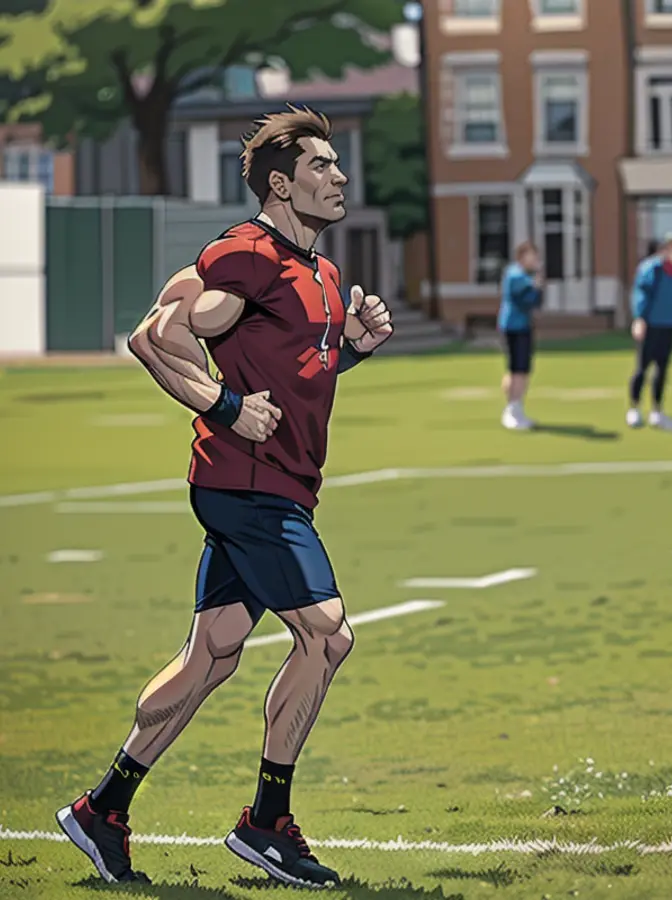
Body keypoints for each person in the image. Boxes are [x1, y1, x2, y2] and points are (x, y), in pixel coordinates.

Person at [56, 107, 393, 889]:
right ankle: (268, 823)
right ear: (281, 183)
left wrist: (353, 349)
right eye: (321, 166)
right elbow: (155, 334)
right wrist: (222, 405)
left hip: (283, 487)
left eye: (337, 165)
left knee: (211, 658)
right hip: (248, 488)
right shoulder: (245, 254)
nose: (339, 176)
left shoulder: (324, 272)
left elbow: (302, 369)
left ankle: (103, 808)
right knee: (327, 637)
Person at [626, 232, 672, 431]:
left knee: (662, 368)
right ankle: (634, 408)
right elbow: (641, 293)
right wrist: (640, 318)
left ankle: (657, 411)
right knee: (642, 367)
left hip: (668, 324)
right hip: (651, 324)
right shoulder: (651, 269)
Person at [499, 241, 544, 431]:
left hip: (524, 326)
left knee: (522, 369)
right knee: (517, 369)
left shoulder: (526, 276)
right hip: (513, 326)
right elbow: (523, 296)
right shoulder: (515, 274)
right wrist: (536, 284)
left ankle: (516, 408)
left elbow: (536, 302)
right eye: (531, 256)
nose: (534, 260)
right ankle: (511, 409)